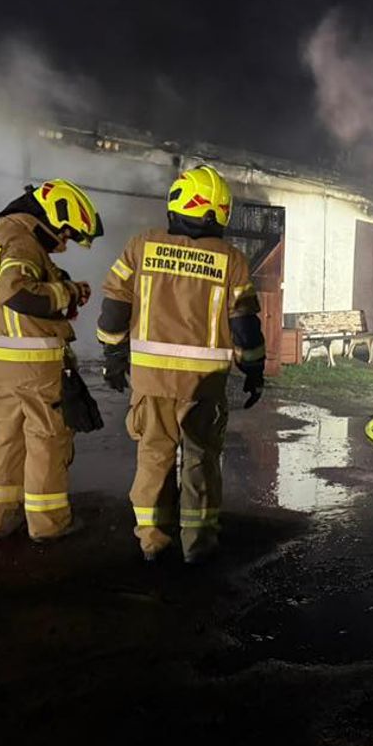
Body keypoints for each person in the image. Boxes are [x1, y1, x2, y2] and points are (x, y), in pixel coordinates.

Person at [97, 165, 265, 563]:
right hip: (202, 388)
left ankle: (153, 542)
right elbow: (244, 326)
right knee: (201, 461)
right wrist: (254, 370)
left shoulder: (141, 246)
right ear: (218, 213)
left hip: (151, 382)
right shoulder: (231, 260)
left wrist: (113, 355)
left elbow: (113, 310)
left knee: (153, 458)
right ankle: (198, 545)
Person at [0, 180, 101, 542]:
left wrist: (58, 287)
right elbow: (16, 291)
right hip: (32, 365)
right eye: (65, 235)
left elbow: (14, 287)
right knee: (47, 441)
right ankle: (49, 524)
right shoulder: (22, 242)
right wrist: (68, 293)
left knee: (7, 440)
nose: (63, 244)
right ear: (53, 218)